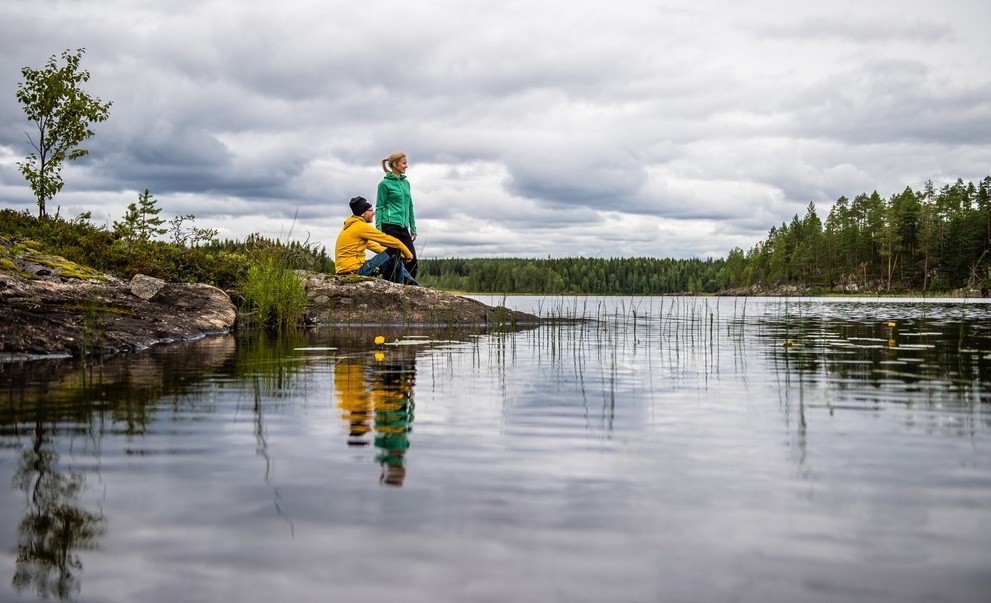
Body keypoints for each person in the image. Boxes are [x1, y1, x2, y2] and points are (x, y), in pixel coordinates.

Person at [334, 196, 418, 285]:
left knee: (394, 257)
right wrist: (407, 254)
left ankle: (413, 286)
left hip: (345, 272)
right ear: (362, 213)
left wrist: (400, 255)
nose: (373, 213)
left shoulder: (351, 227)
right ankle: (401, 288)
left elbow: (375, 247)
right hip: (354, 272)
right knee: (394, 251)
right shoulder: (361, 227)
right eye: (370, 210)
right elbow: (391, 240)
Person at [376, 151, 418, 279]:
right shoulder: (384, 184)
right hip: (389, 226)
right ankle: (391, 289)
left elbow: (410, 206)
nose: (406, 166)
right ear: (395, 164)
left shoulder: (406, 183)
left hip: (403, 228)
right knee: (394, 261)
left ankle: (407, 289)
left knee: (412, 261)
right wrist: (379, 231)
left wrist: (413, 227)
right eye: (404, 163)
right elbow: (379, 207)